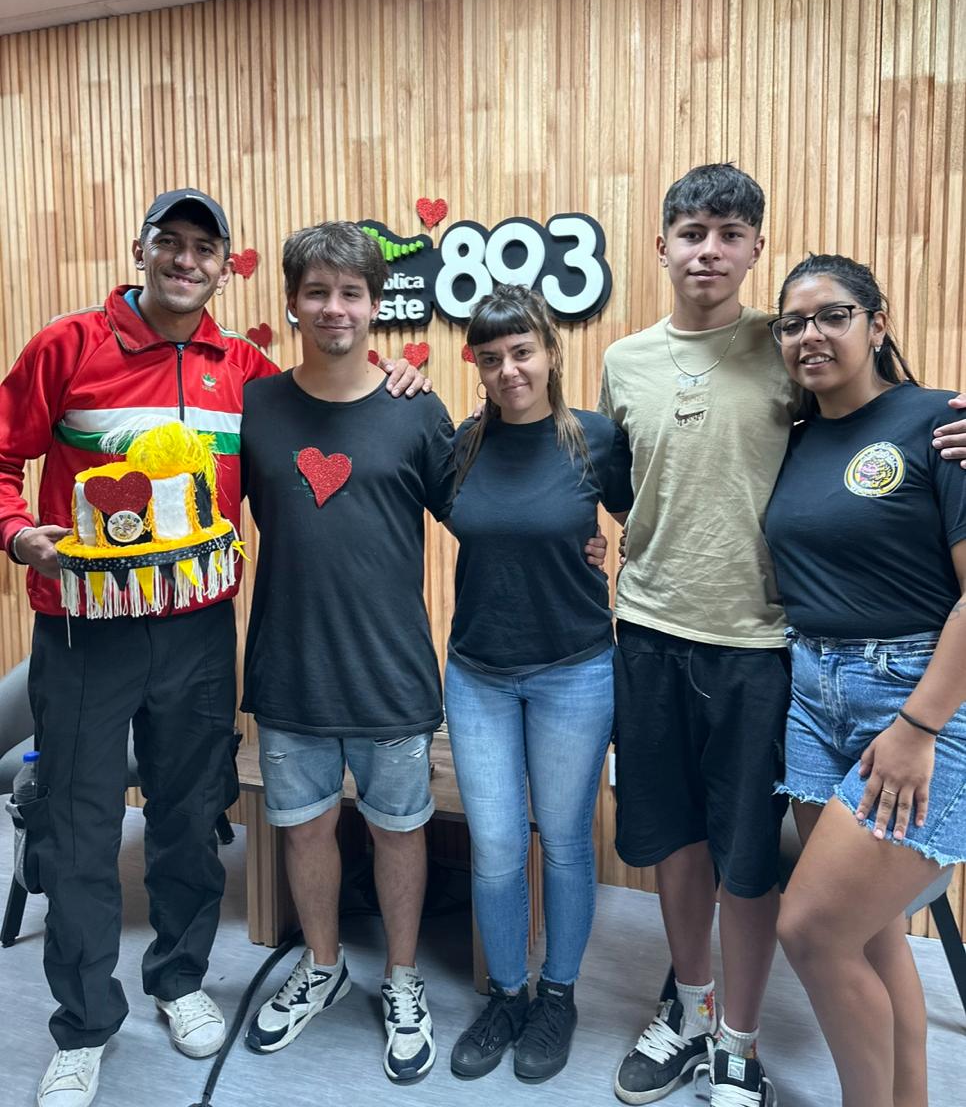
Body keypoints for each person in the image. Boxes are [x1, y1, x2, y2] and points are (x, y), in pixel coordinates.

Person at [0, 191, 427, 1107]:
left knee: (191, 814)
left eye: (206, 248)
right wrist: (15, 530)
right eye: (171, 243)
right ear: (142, 250)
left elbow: (332, 406)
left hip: (199, 629)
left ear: (226, 264)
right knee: (77, 829)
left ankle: (180, 980)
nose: (186, 261)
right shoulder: (67, 346)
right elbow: (1, 458)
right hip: (83, 631)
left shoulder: (248, 374)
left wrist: (396, 375)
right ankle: (82, 1027)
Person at [601, 164, 966, 1107]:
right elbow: (634, 482)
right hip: (723, 659)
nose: (708, 249)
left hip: (812, 668)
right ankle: (699, 1011)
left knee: (791, 900)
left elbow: (911, 438)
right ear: (663, 245)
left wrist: (923, 723)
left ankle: (742, 1040)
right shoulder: (650, 366)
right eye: (691, 231)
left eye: (730, 232)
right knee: (715, 862)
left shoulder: (858, 385)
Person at [240, 221, 453, 1083]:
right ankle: (323, 968)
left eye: (352, 292)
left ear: (376, 304)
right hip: (290, 667)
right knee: (306, 830)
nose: (335, 308)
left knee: (401, 831)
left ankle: (404, 981)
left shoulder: (416, 406)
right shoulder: (252, 406)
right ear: (292, 302)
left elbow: (483, 506)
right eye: (318, 291)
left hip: (392, 670)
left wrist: (583, 548)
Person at [764, 255, 966, 1107]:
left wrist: (919, 728)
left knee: (809, 933)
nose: (810, 334)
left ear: (877, 324)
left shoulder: (940, 423)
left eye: (832, 314)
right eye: (792, 322)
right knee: (872, 935)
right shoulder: (795, 439)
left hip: (913, 698)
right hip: (812, 696)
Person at [444, 285, 633, 1084]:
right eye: (491, 357)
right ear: (478, 367)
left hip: (575, 671)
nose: (508, 368)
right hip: (478, 672)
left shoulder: (595, 440)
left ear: (551, 352)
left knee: (561, 841)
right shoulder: (462, 447)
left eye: (522, 351)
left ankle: (558, 995)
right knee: (492, 845)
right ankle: (507, 995)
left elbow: (652, 523)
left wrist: (614, 565)